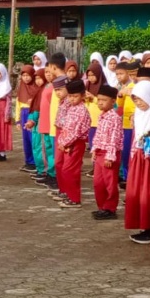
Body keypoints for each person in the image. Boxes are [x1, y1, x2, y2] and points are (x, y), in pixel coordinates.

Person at [125, 79, 150, 245]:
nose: (138, 103)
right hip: (139, 160)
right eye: (135, 99)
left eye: (141, 99)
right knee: (139, 194)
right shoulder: (139, 115)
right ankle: (144, 226)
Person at [55, 79, 91, 209]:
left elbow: (76, 132)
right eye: (70, 96)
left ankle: (75, 199)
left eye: (75, 96)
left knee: (70, 170)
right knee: (67, 170)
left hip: (75, 144)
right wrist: (62, 141)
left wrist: (64, 142)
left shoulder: (82, 110)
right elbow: (65, 127)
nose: (72, 99)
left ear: (82, 95)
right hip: (68, 143)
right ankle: (70, 196)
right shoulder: (71, 108)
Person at [35, 54, 68, 190]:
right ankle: (55, 178)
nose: (47, 72)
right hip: (54, 124)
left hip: (60, 125)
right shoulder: (56, 82)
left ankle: (58, 181)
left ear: (54, 67)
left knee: (59, 157)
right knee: (54, 154)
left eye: (49, 69)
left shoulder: (63, 82)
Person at [91, 85, 122, 220]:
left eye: (104, 100)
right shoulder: (102, 115)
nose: (100, 103)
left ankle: (110, 208)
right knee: (98, 182)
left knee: (110, 183)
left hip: (110, 154)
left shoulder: (114, 118)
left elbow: (114, 138)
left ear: (113, 101)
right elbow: (98, 135)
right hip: (99, 153)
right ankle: (101, 207)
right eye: (98, 100)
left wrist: (110, 156)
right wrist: (94, 149)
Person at [116, 62, 139, 184]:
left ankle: (133, 179)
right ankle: (126, 177)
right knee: (125, 152)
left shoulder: (144, 86)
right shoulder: (127, 86)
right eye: (131, 74)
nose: (133, 76)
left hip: (138, 125)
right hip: (126, 124)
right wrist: (120, 95)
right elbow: (119, 105)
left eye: (135, 73)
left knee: (134, 152)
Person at [26, 70, 50, 179]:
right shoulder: (38, 91)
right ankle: (40, 169)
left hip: (42, 122)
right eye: (36, 78)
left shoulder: (45, 90)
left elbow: (40, 109)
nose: (38, 81)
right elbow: (34, 108)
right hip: (36, 124)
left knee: (42, 148)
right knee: (36, 146)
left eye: (40, 78)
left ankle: (45, 171)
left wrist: (33, 120)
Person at [15, 65, 39, 171]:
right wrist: (17, 120)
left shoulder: (37, 88)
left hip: (32, 114)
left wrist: (33, 102)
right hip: (24, 114)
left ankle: (36, 162)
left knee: (33, 139)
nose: (26, 78)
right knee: (26, 140)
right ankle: (29, 161)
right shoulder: (21, 88)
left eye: (28, 75)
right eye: (23, 75)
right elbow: (18, 105)